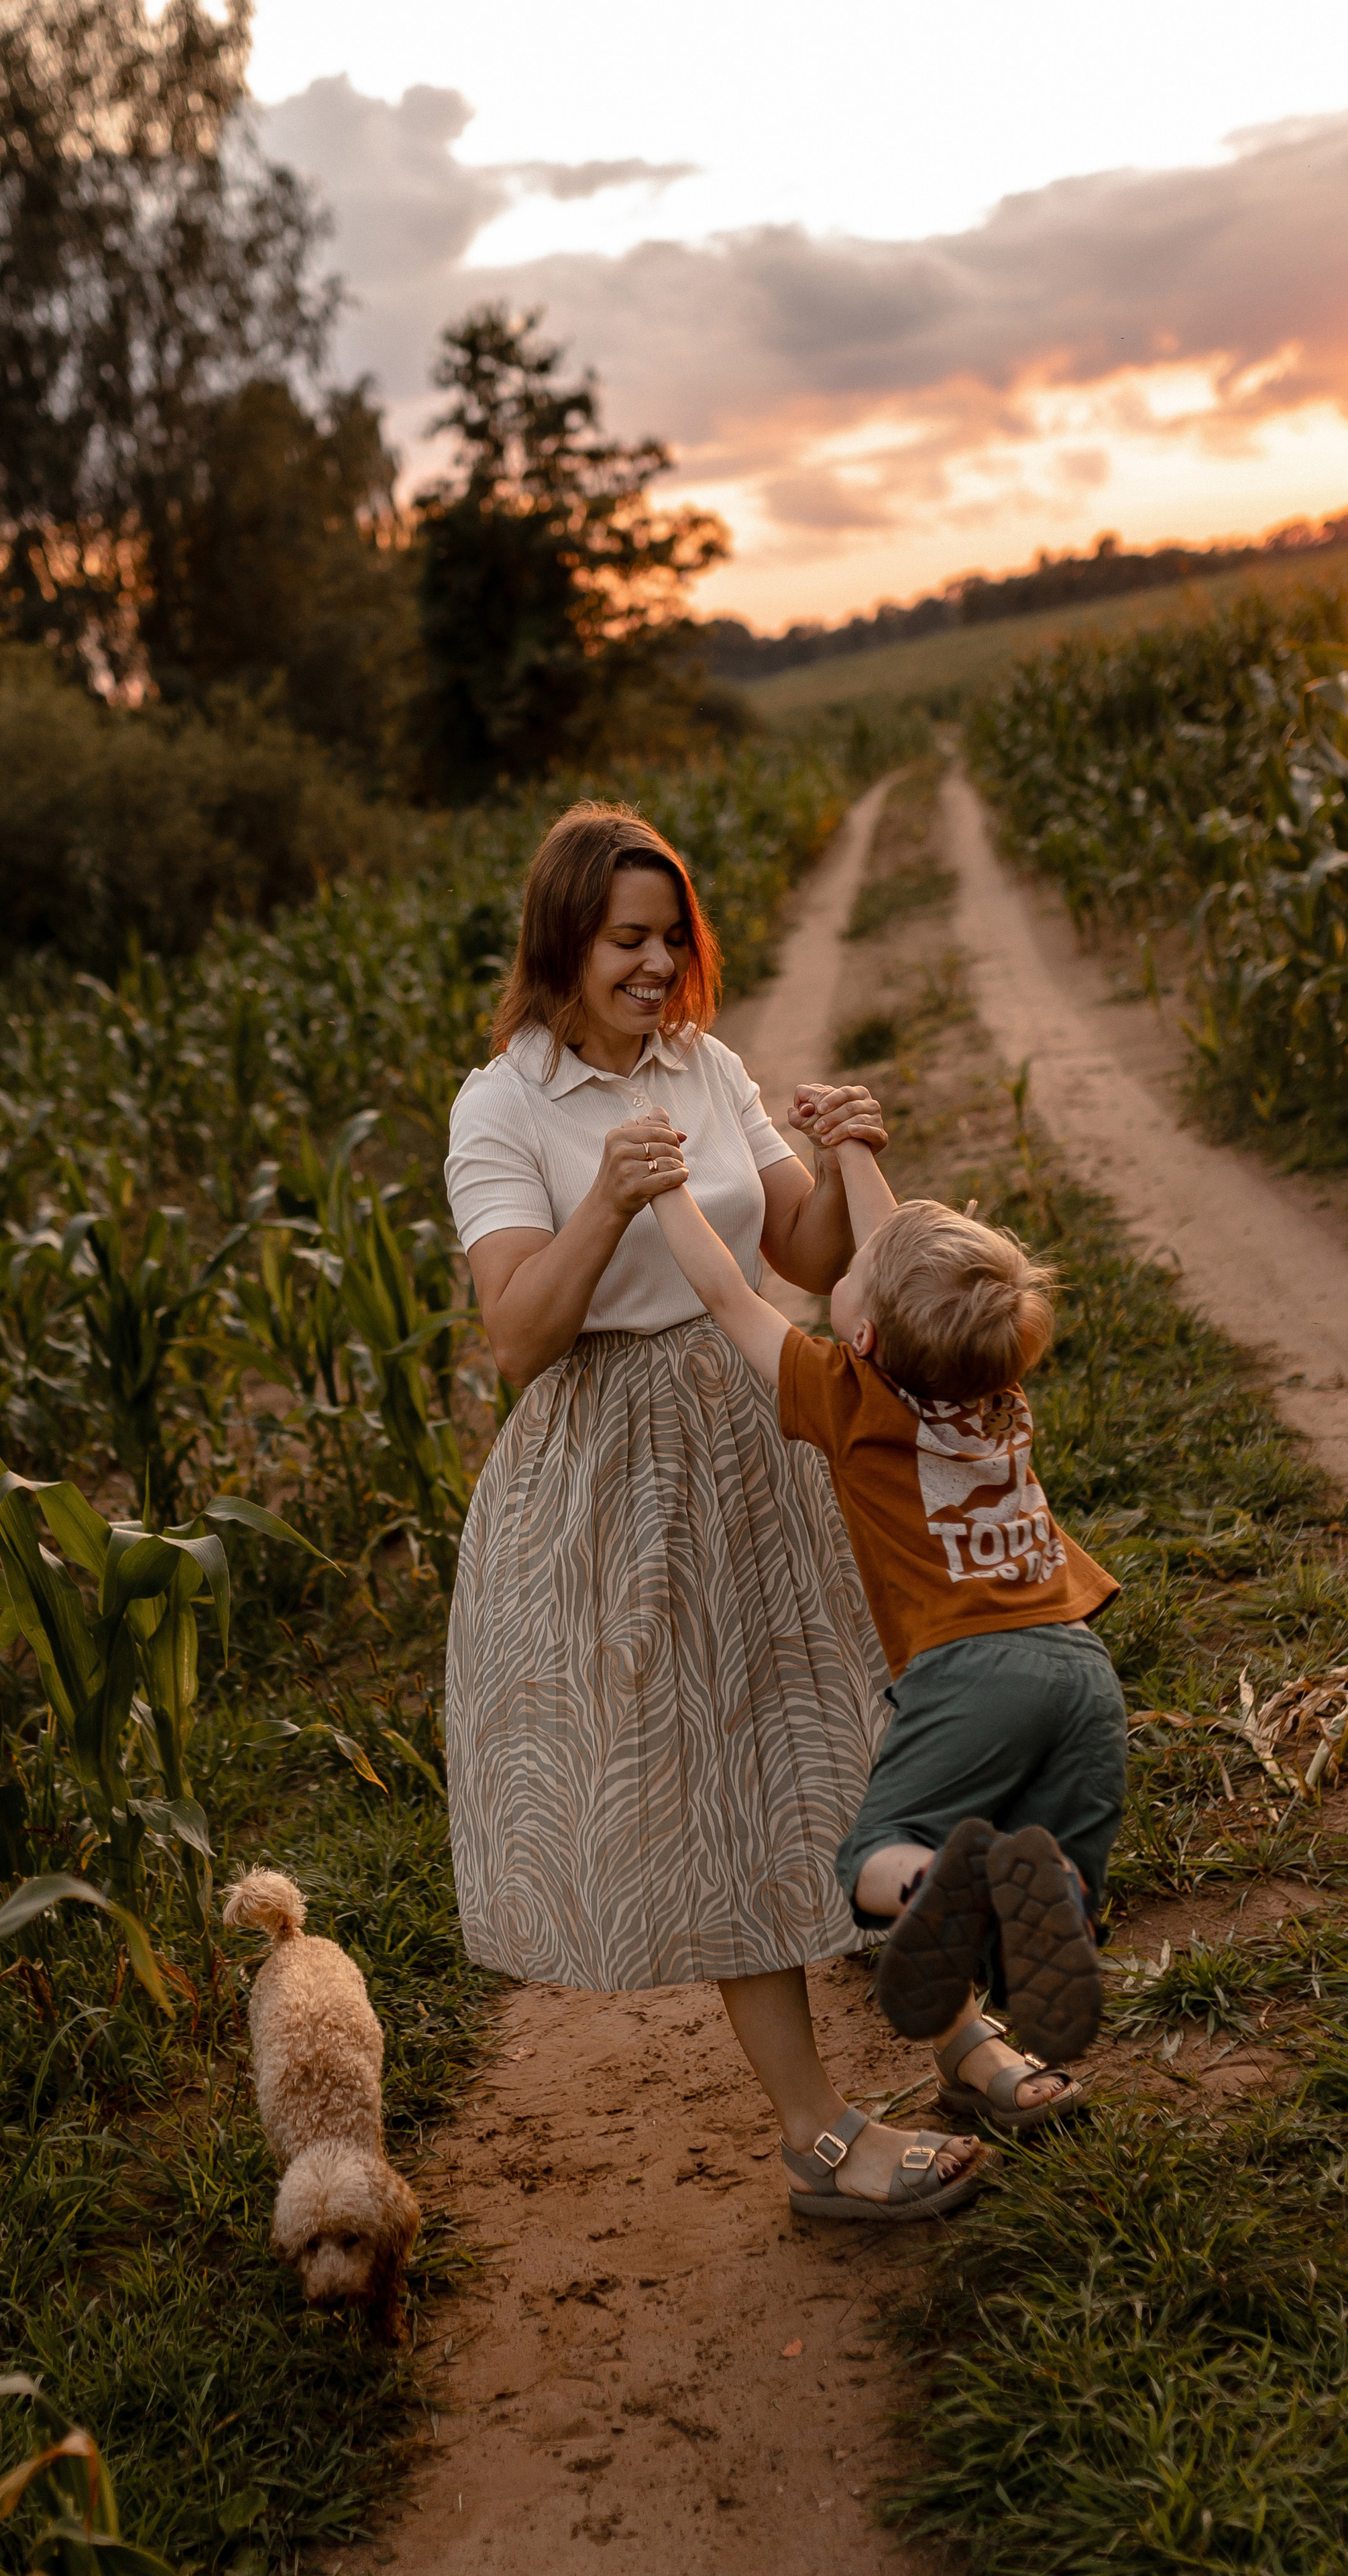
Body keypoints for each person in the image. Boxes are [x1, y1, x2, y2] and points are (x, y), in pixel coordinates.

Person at [444, 799, 990, 2223]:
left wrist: (849, 1141)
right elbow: (515, 1340)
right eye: (625, 939)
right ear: (561, 941)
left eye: (667, 937)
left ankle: (961, 2034)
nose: (651, 965)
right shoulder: (500, 1104)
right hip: (621, 1464)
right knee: (727, 1790)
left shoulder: (703, 1063)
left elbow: (802, 1244)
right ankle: (816, 2131)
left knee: (867, 1732)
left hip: (769, 1423)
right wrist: (604, 1210)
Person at [643, 1101, 1127, 2158]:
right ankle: (1052, 1905)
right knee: (1041, 1852)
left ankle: (946, 1887)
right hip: (1080, 1664)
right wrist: (853, 1151)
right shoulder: (998, 1387)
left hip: (970, 1674)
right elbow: (906, 1263)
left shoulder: (851, 1396)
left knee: (871, 1856)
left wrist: (661, 1191)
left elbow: (729, 1289)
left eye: (850, 1280)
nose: (843, 1269)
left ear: (860, 1334)